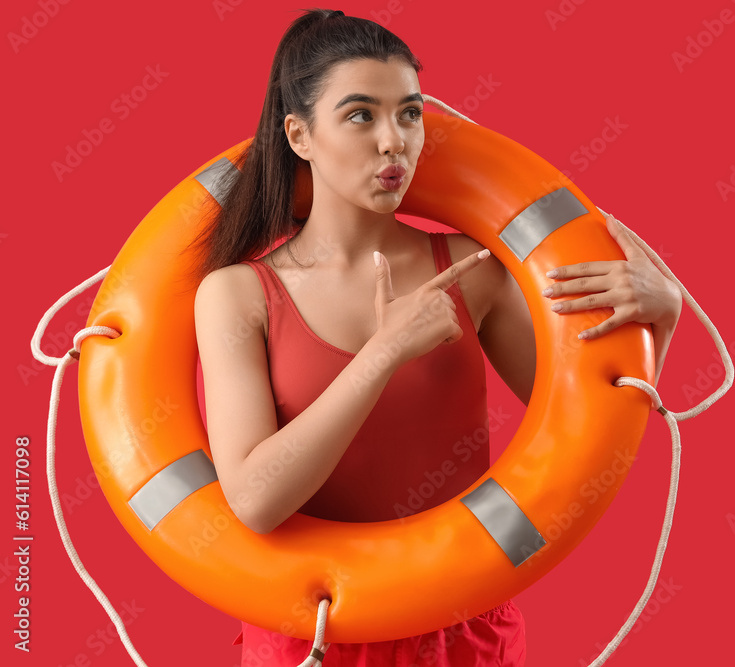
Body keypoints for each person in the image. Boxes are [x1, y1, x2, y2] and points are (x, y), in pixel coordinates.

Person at [189, 8, 682, 666]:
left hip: (461, 630)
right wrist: (383, 352)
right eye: (361, 115)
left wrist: (662, 321)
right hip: (309, 635)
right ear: (300, 134)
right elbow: (255, 498)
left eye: (410, 113)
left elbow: (592, 436)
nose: (393, 140)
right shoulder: (238, 294)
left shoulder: (475, 271)